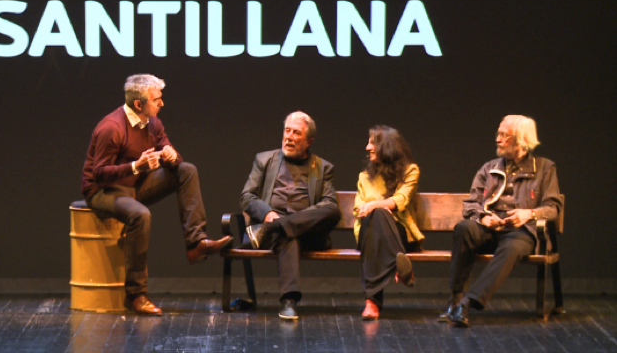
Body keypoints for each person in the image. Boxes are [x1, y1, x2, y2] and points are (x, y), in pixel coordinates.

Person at [81, 74, 232, 316]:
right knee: (140, 215)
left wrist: (172, 155)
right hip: (103, 190)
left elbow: (170, 154)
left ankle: (195, 243)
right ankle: (136, 294)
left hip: (135, 185)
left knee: (187, 170)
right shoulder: (112, 127)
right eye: (156, 100)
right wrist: (134, 167)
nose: (161, 104)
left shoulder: (153, 123)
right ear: (139, 104)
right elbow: (98, 174)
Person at [441, 115, 562, 327]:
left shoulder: (544, 168)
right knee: (464, 228)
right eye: (498, 133)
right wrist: (484, 217)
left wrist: (528, 214)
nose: (497, 139)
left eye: (503, 135)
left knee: (513, 247)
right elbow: (470, 204)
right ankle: (455, 301)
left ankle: (468, 303)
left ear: (520, 139)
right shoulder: (489, 168)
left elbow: (553, 208)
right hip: (490, 229)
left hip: (522, 232)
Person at [240, 111, 341, 320]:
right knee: (289, 234)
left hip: (308, 234)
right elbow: (246, 197)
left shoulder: (323, 168)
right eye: (287, 131)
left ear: (309, 141)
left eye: (296, 133)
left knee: (332, 209)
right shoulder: (264, 160)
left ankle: (279, 226)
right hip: (272, 234)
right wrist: (267, 214)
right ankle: (288, 301)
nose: (289, 137)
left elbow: (329, 205)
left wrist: (280, 223)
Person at [353, 126, 424, 320]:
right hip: (368, 231)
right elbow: (359, 208)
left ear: (388, 147)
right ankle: (399, 263)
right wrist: (372, 209)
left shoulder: (410, 171)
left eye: (373, 142)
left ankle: (371, 303)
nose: (368, 147)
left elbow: (400, 200)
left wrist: (375, 205)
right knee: (376, 220)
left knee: (381, 214)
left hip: (399, 233)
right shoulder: (364, 178)